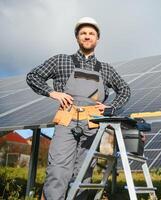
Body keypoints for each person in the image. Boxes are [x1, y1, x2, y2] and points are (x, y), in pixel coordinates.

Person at [26, 17, 131, 200]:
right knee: (57, 171)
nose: (87, 36)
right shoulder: (61, 60)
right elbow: (33, 76)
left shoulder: (106, 69)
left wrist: (110, 107)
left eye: (91, 33)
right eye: (83, 33)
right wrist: (52, 93)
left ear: (97, 39)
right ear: (77, 38)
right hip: (66, 121)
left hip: (91, 126)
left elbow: (125, 90)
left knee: (84, 174)